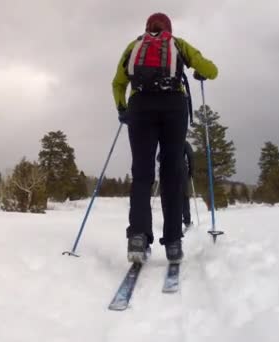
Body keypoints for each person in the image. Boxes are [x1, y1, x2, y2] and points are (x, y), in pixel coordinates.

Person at [112, 12, 217, 264]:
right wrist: (199, 73)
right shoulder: (178, 44)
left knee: (142, 175)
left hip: (140, 107)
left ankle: (138, 237)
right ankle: (172, 243)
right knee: (171, 174)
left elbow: (117, 82)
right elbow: (211, 70)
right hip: (173, 106)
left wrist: (122, 109)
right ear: (168, 28)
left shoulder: (133, 46)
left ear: (147, 28)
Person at [157, 140, 195, 228]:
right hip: (181, 172)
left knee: (167, 197)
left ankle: (168, 221)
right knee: (184, 196)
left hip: (167, 172)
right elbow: (191, 156)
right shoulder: (184, 142)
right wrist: (191, 171)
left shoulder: (166, 142)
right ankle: (187, 221)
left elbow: (158, 157)